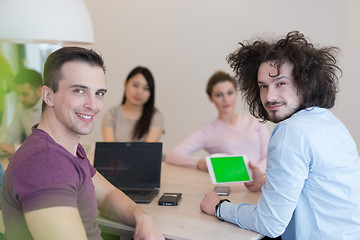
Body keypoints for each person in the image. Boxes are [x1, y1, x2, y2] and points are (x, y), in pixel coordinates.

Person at [200, 31, 360, 239]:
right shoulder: (329, 122)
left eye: (281, 83)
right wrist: (268, 182)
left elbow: (270, 223)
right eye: (263, 87)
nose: (270, 96)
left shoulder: (290, 132)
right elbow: (316, 185)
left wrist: (221, 207)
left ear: (304, 82)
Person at [1, 47, 164, 240]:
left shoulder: (67, 149)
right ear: (48, 96)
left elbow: (107, 195)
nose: (94, 105)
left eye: (99, 93)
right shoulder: (45, 164)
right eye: (79, 91)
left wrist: (142, 217)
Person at [166, 71, 269, 172]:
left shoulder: (255, 121)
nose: (225, 99)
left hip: (261, 183)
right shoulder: (206, 131)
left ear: (236, 94)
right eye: (219, 95)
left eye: (229, 93)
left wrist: (254, 173)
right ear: (211, 98)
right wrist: (199, 162)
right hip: (230, 184)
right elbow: (172, 156)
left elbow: (270, 156)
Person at [102, 66, 164, 142]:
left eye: (146, 88)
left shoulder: (155, 116)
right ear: (125, 84)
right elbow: (111, 150)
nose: (139, 92)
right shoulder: (111, 115)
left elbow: (148, 152)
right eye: (135, 85)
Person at [0, 68, 42, 155]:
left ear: (39, 90)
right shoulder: (22, 106)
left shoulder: (52, 108)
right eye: (18, 94)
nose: (20, 99)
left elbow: (46, 144)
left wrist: (14, 148)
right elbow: (11, 134)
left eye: (24, 94)